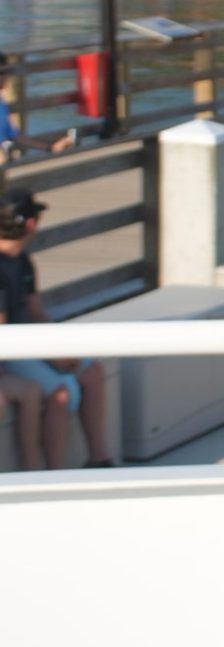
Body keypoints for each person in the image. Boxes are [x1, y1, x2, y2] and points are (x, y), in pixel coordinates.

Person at [0, 187, 114, 469]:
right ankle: (55, 475)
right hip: (10, 349)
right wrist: (52, 356)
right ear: (30, 224)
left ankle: (99, 460)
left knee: (91, 371)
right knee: (61, 392)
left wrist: (61, 347)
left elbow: (35, 311)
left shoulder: (22, 260)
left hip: (27, 341)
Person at [0, 52, 75, 159]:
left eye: (8, 71)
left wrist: (50, 147)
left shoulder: (1, 103)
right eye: (2, 72)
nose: (7, 76)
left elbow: (14, 135)